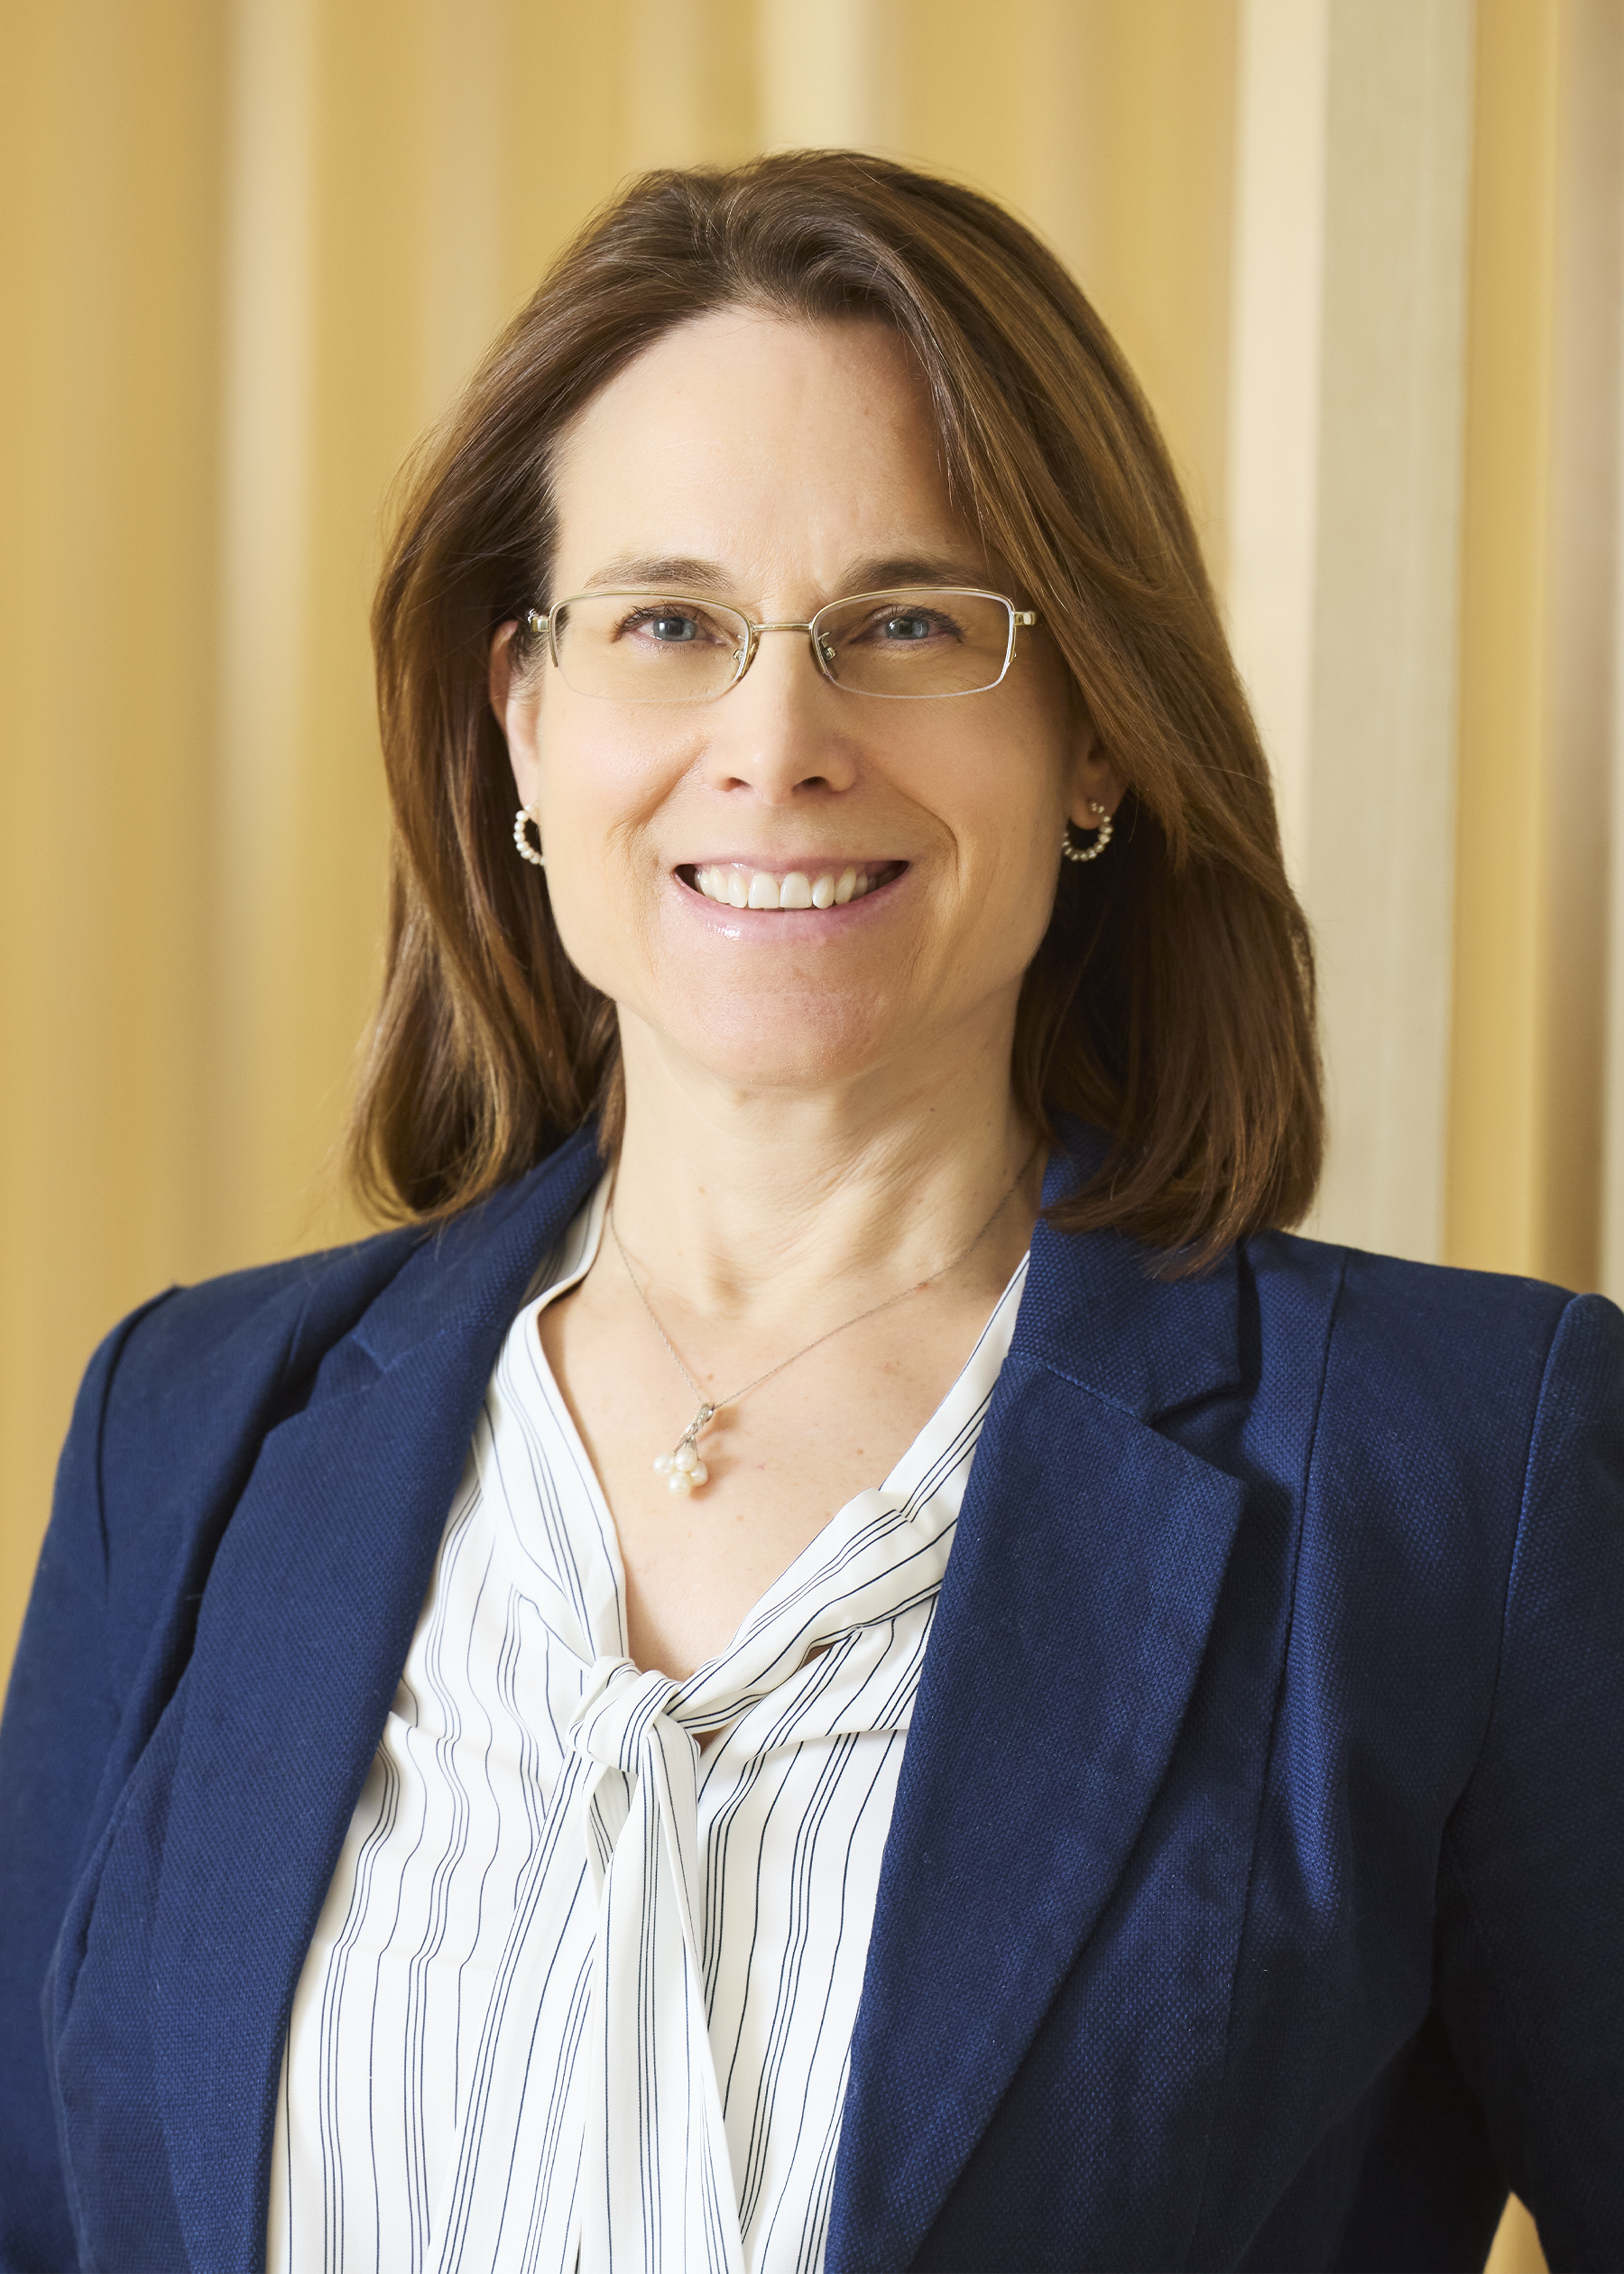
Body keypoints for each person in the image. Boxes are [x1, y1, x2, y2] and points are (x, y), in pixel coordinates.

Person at [2, 149, 1619, 2274]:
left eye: (910, 626)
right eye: (669, 624)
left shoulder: (1463, 1478)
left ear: (1095, 740)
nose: (777, 740)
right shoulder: (184, 1428)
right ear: (526, 718)